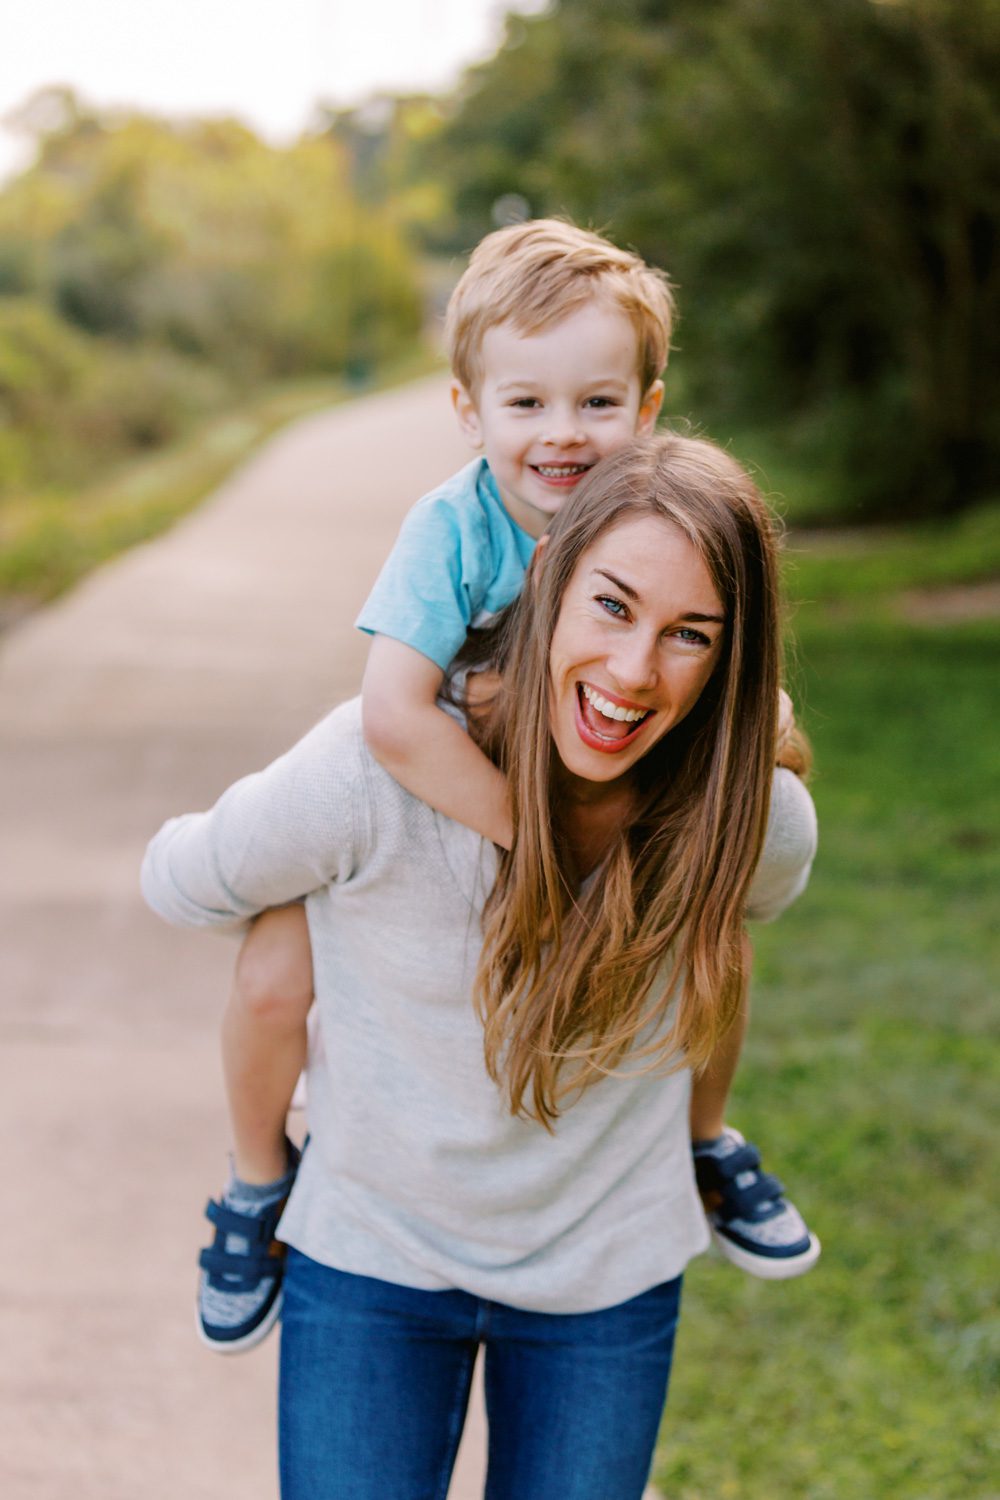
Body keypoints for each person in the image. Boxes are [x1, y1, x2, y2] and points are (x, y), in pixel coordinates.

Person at [143, 433, 819, 1498]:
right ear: (544, 574)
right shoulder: (369, 772)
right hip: (371, 1264)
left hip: (605, 1279)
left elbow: (747, 912)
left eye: (689, 635)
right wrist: (295, 904)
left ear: (731, 658)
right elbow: (180, 880)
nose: (634, 672)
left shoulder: (748, 821)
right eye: (611, 605)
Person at [196, 220, 816, 1357]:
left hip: (555, 804)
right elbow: (394, 714)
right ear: (467, 410)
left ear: (649, 405)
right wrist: (538, 842)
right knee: (277, 962)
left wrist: (750, 742)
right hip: (439, 804)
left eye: (596, 402)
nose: (562, 434)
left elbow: (739, 699)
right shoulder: (450, 528)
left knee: (708, 936)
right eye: (525, 403)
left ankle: (704, 1140)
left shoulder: (649, 524)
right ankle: (251, 1183)